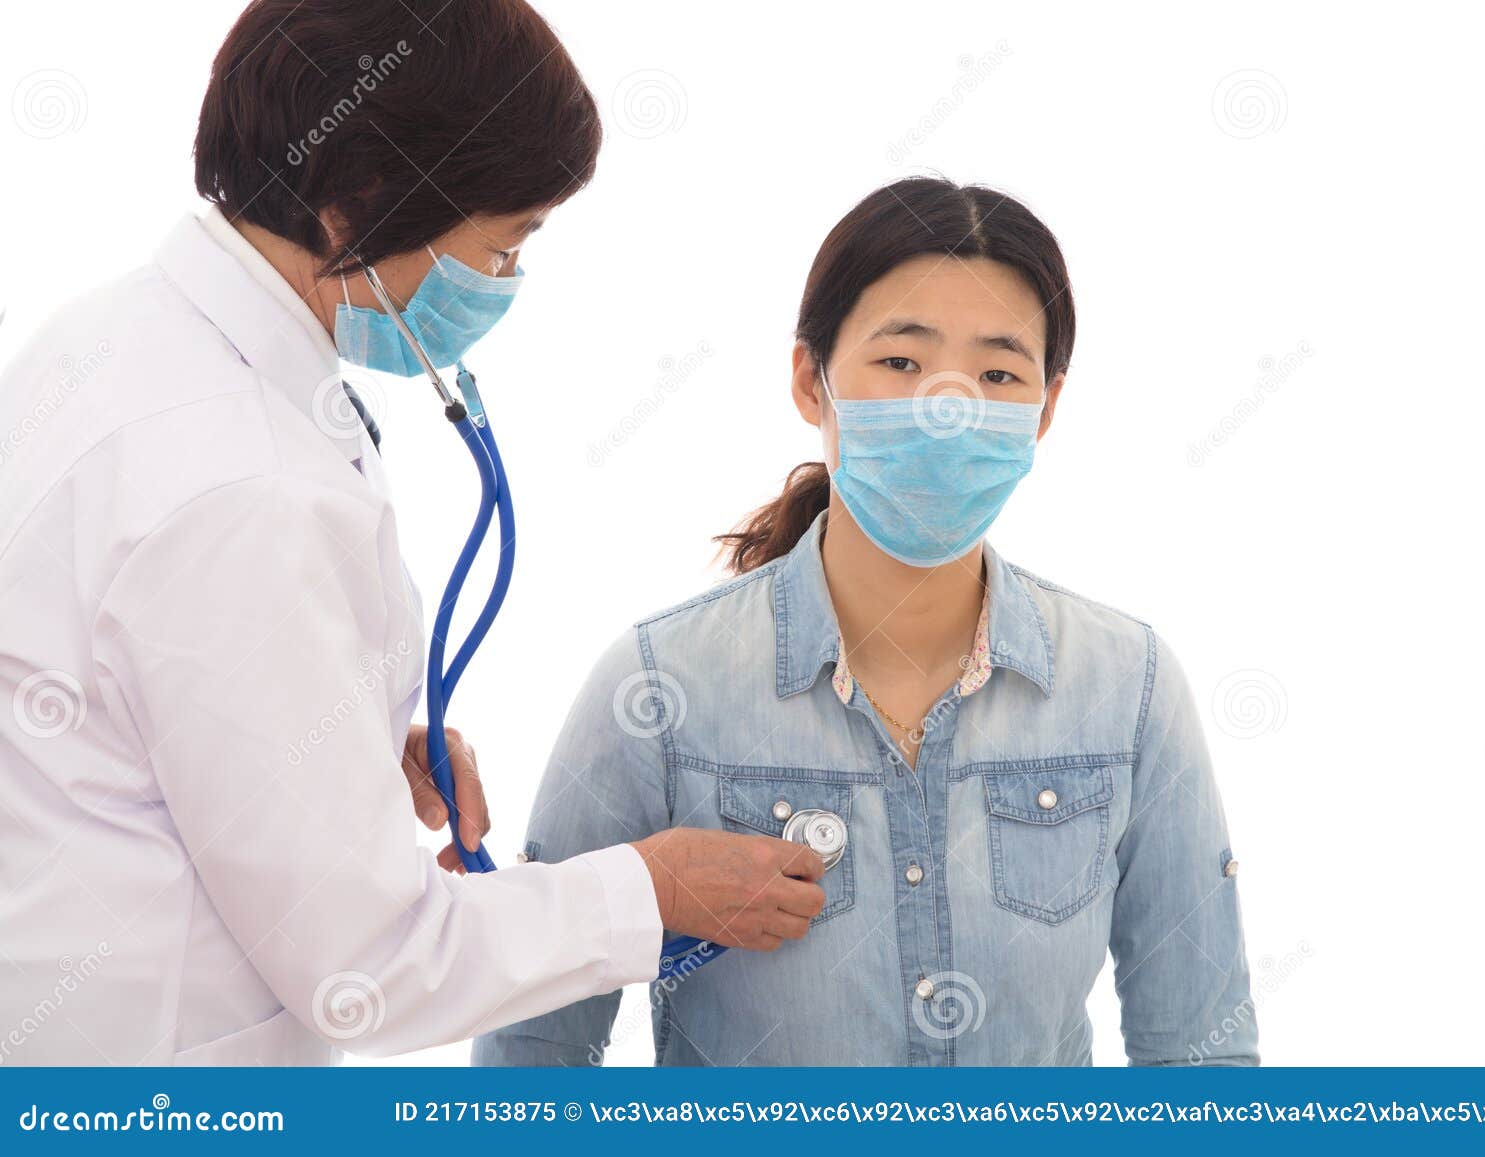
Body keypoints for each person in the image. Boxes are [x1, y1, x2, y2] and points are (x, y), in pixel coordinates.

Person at [0, 0, 822, 1066]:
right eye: (507, 241)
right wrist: (649, 888)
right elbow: (371, 972)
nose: (508, 280)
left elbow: (135, 706)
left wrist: (327, 744)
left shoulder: (113, 335)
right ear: (360, 202)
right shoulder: (240, 487)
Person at [474, 178, 1258, 1067]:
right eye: (901, 361)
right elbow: (532, 1055)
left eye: (999, 372)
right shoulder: (657, 685)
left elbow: (1202, 1059)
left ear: (1045, 408)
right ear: (812, 381)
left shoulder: (1131, 685)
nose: (948, 403)